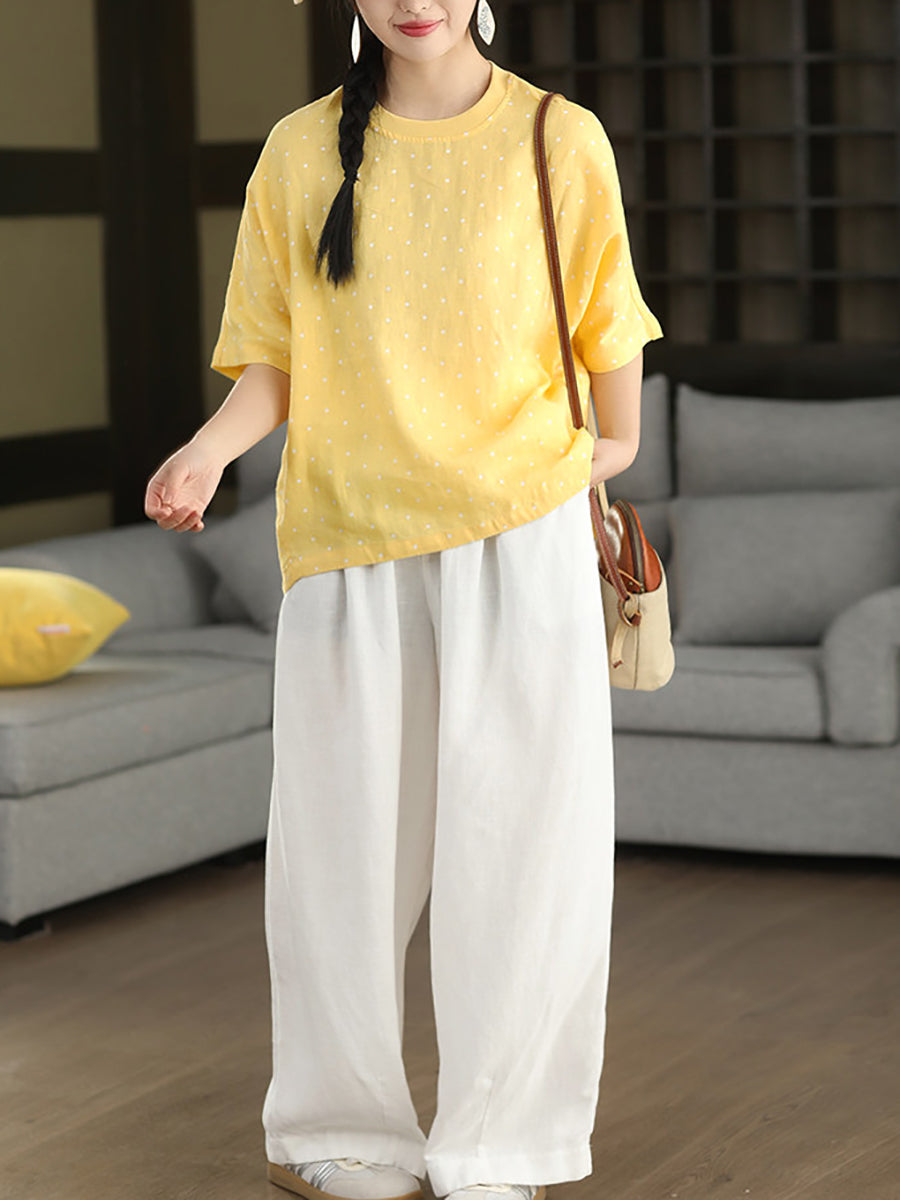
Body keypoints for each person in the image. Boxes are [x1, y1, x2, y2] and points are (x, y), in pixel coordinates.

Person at [144, 2, 664, 1199]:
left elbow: (609, 344)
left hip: (520, 543)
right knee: (338, 858)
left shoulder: (558, 137)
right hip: (346, 542)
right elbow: (275, 352)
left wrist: (587, 459)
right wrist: (208, 452)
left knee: (524, 853)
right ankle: (339, 1132)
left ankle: (503, 1144)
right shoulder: (299, 149)